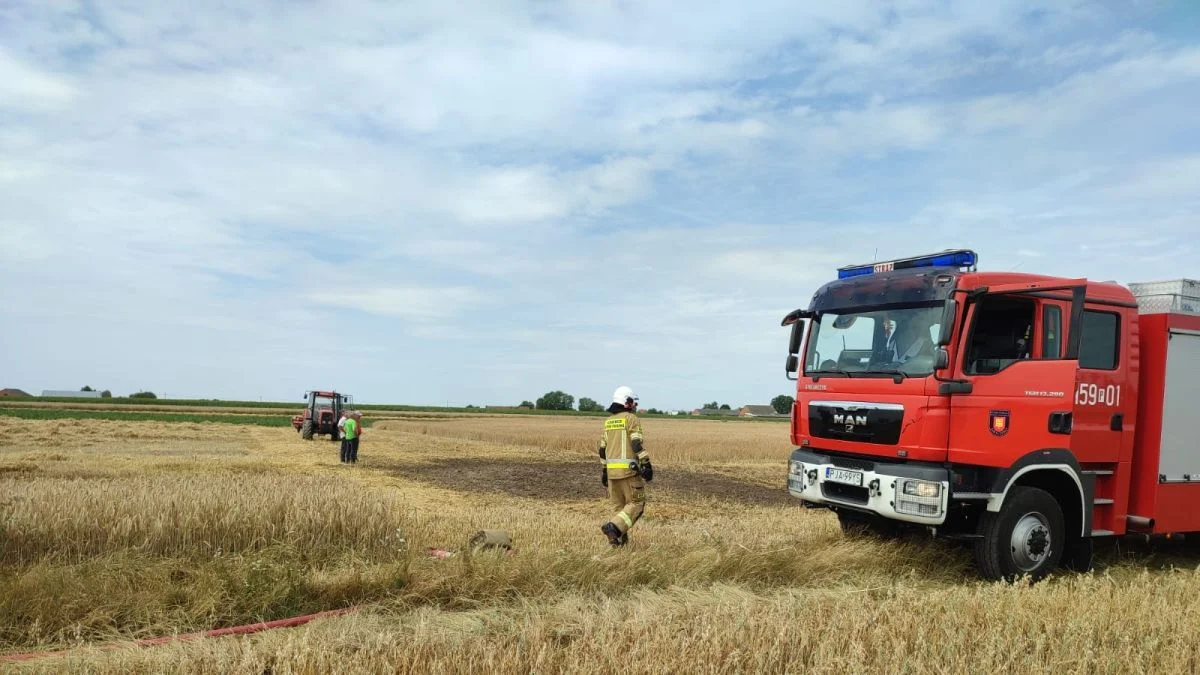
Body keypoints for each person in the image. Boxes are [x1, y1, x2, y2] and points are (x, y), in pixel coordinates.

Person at [599, 386, 653, 547]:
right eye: (633, 402)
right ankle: (613, 529)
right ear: (627, 402)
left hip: (612, 475)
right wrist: (647, 464)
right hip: (629, 473)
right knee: (637, 504)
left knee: (621, 511)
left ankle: (620, 545)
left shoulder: (608, 422)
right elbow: (636, 443)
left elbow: (602, 449)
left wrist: (604, 471)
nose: (635, 405)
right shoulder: (631, 419)